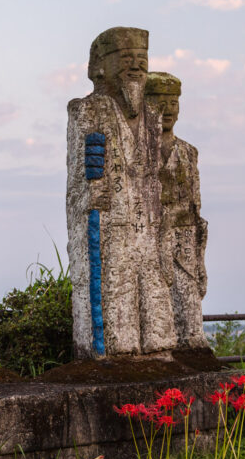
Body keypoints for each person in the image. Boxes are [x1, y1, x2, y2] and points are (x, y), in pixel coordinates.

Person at [66, 27, 175, 358]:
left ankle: (158, 347)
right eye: (125, 58)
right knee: (115, 287)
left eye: (142, 59)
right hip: (109, 219)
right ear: (99, 65)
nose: (136, 66)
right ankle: (115, 351)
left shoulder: (152, 118)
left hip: (148, 220)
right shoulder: (88, 109)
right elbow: (86, 174)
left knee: (153, 286)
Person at [146, 72, 208, 349]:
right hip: (151, 238)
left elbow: (195, 203)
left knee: (188, 302)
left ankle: (193, 349)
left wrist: (199, 252)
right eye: (160, 102)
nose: (168, 109)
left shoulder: (188, 152)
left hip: (186, 239)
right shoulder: (139, 152)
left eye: (173, 102)